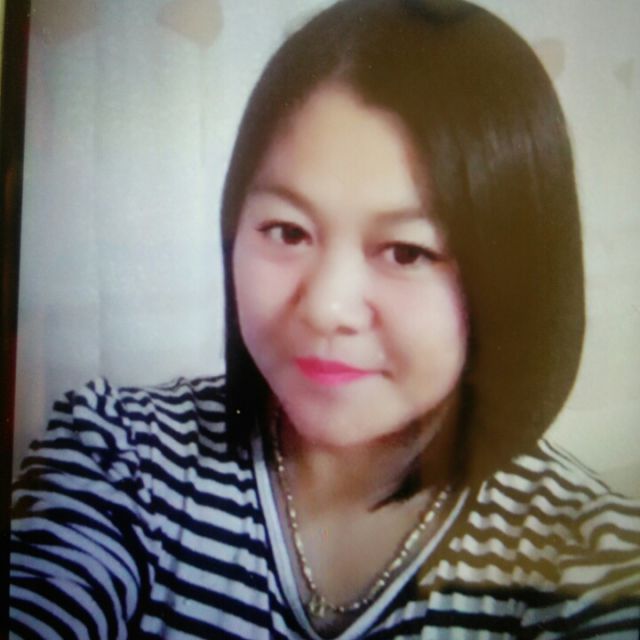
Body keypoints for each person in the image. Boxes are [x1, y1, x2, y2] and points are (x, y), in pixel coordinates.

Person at [10, 0, 640, 638]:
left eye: (407, 251)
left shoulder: (589, 559)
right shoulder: (120, 455)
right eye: (287, 231)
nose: (325, 308)